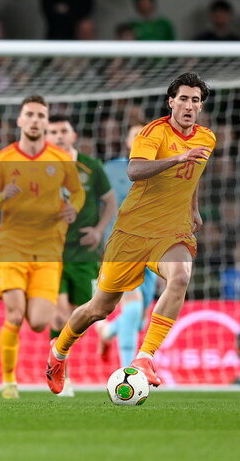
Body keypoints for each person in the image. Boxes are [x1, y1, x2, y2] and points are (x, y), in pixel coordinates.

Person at [47, 72, 216, 393]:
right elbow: (135, 170)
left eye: (196, 100)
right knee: (100, 308)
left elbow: (193, 173)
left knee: (180, 277)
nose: (189, 105)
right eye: (183, 98)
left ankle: (144, 357)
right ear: (171, 102)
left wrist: (193, 208)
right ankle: (59, 351)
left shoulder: (206, 138)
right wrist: (178, 156)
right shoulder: (153, 133)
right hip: (133, 232)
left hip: (173, 230)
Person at [0, 97, 84, 400]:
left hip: (48, 252)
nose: (36, 120)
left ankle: (54, 363)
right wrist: (3, 196)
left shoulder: (61, 158)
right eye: (30, 114)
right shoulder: (2, 159)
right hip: (10, 248)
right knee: (14, 316)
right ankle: (9, 382)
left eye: (41, 115)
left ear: (46, 122)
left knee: (40, 323)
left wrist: (73, 210)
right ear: (20, 121)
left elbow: (78, 194)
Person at [44, 114, 117, 397]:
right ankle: (63, 377)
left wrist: (99, 231)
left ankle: (102, 332)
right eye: (54, 131)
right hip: (52, 252)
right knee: (59, 314)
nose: (59, 135)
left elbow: (110, 202)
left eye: (64, 130)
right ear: (47, 138)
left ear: (73, 136)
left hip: (84, 253)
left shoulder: (91, 167)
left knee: (86, 313)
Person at [96, 122, 160, 368]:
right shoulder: (110, 170)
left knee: (141, 321)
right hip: (119, 245)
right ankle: (127, 374)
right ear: (127, 142)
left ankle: (107, 332)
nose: (142, 138)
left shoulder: (161, 171)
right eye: (137, 135)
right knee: (132, 312)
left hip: (151, 249)